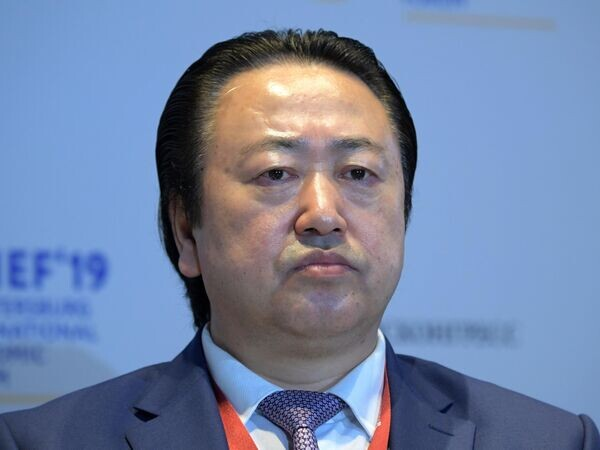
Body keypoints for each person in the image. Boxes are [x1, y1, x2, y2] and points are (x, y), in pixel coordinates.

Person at [0, 29, 598, 450]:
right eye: (276, 174)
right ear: (186, 231)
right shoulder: (44, 441)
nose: (323, 214)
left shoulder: (551, 440)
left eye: (357, 173)